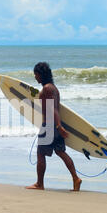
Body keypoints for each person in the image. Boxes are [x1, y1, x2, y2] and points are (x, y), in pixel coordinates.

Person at [26, 62, 82, 192]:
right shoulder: (54, 88)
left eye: (36, 74)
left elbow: (53, 109)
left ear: (41, 74)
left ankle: (40, 184)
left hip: (49, 125)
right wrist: (59, 126)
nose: (35, 77)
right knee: (61, 152)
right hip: (54, 125)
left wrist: (58, 126)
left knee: (40, 153)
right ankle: (75, 178)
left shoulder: (47, 89)